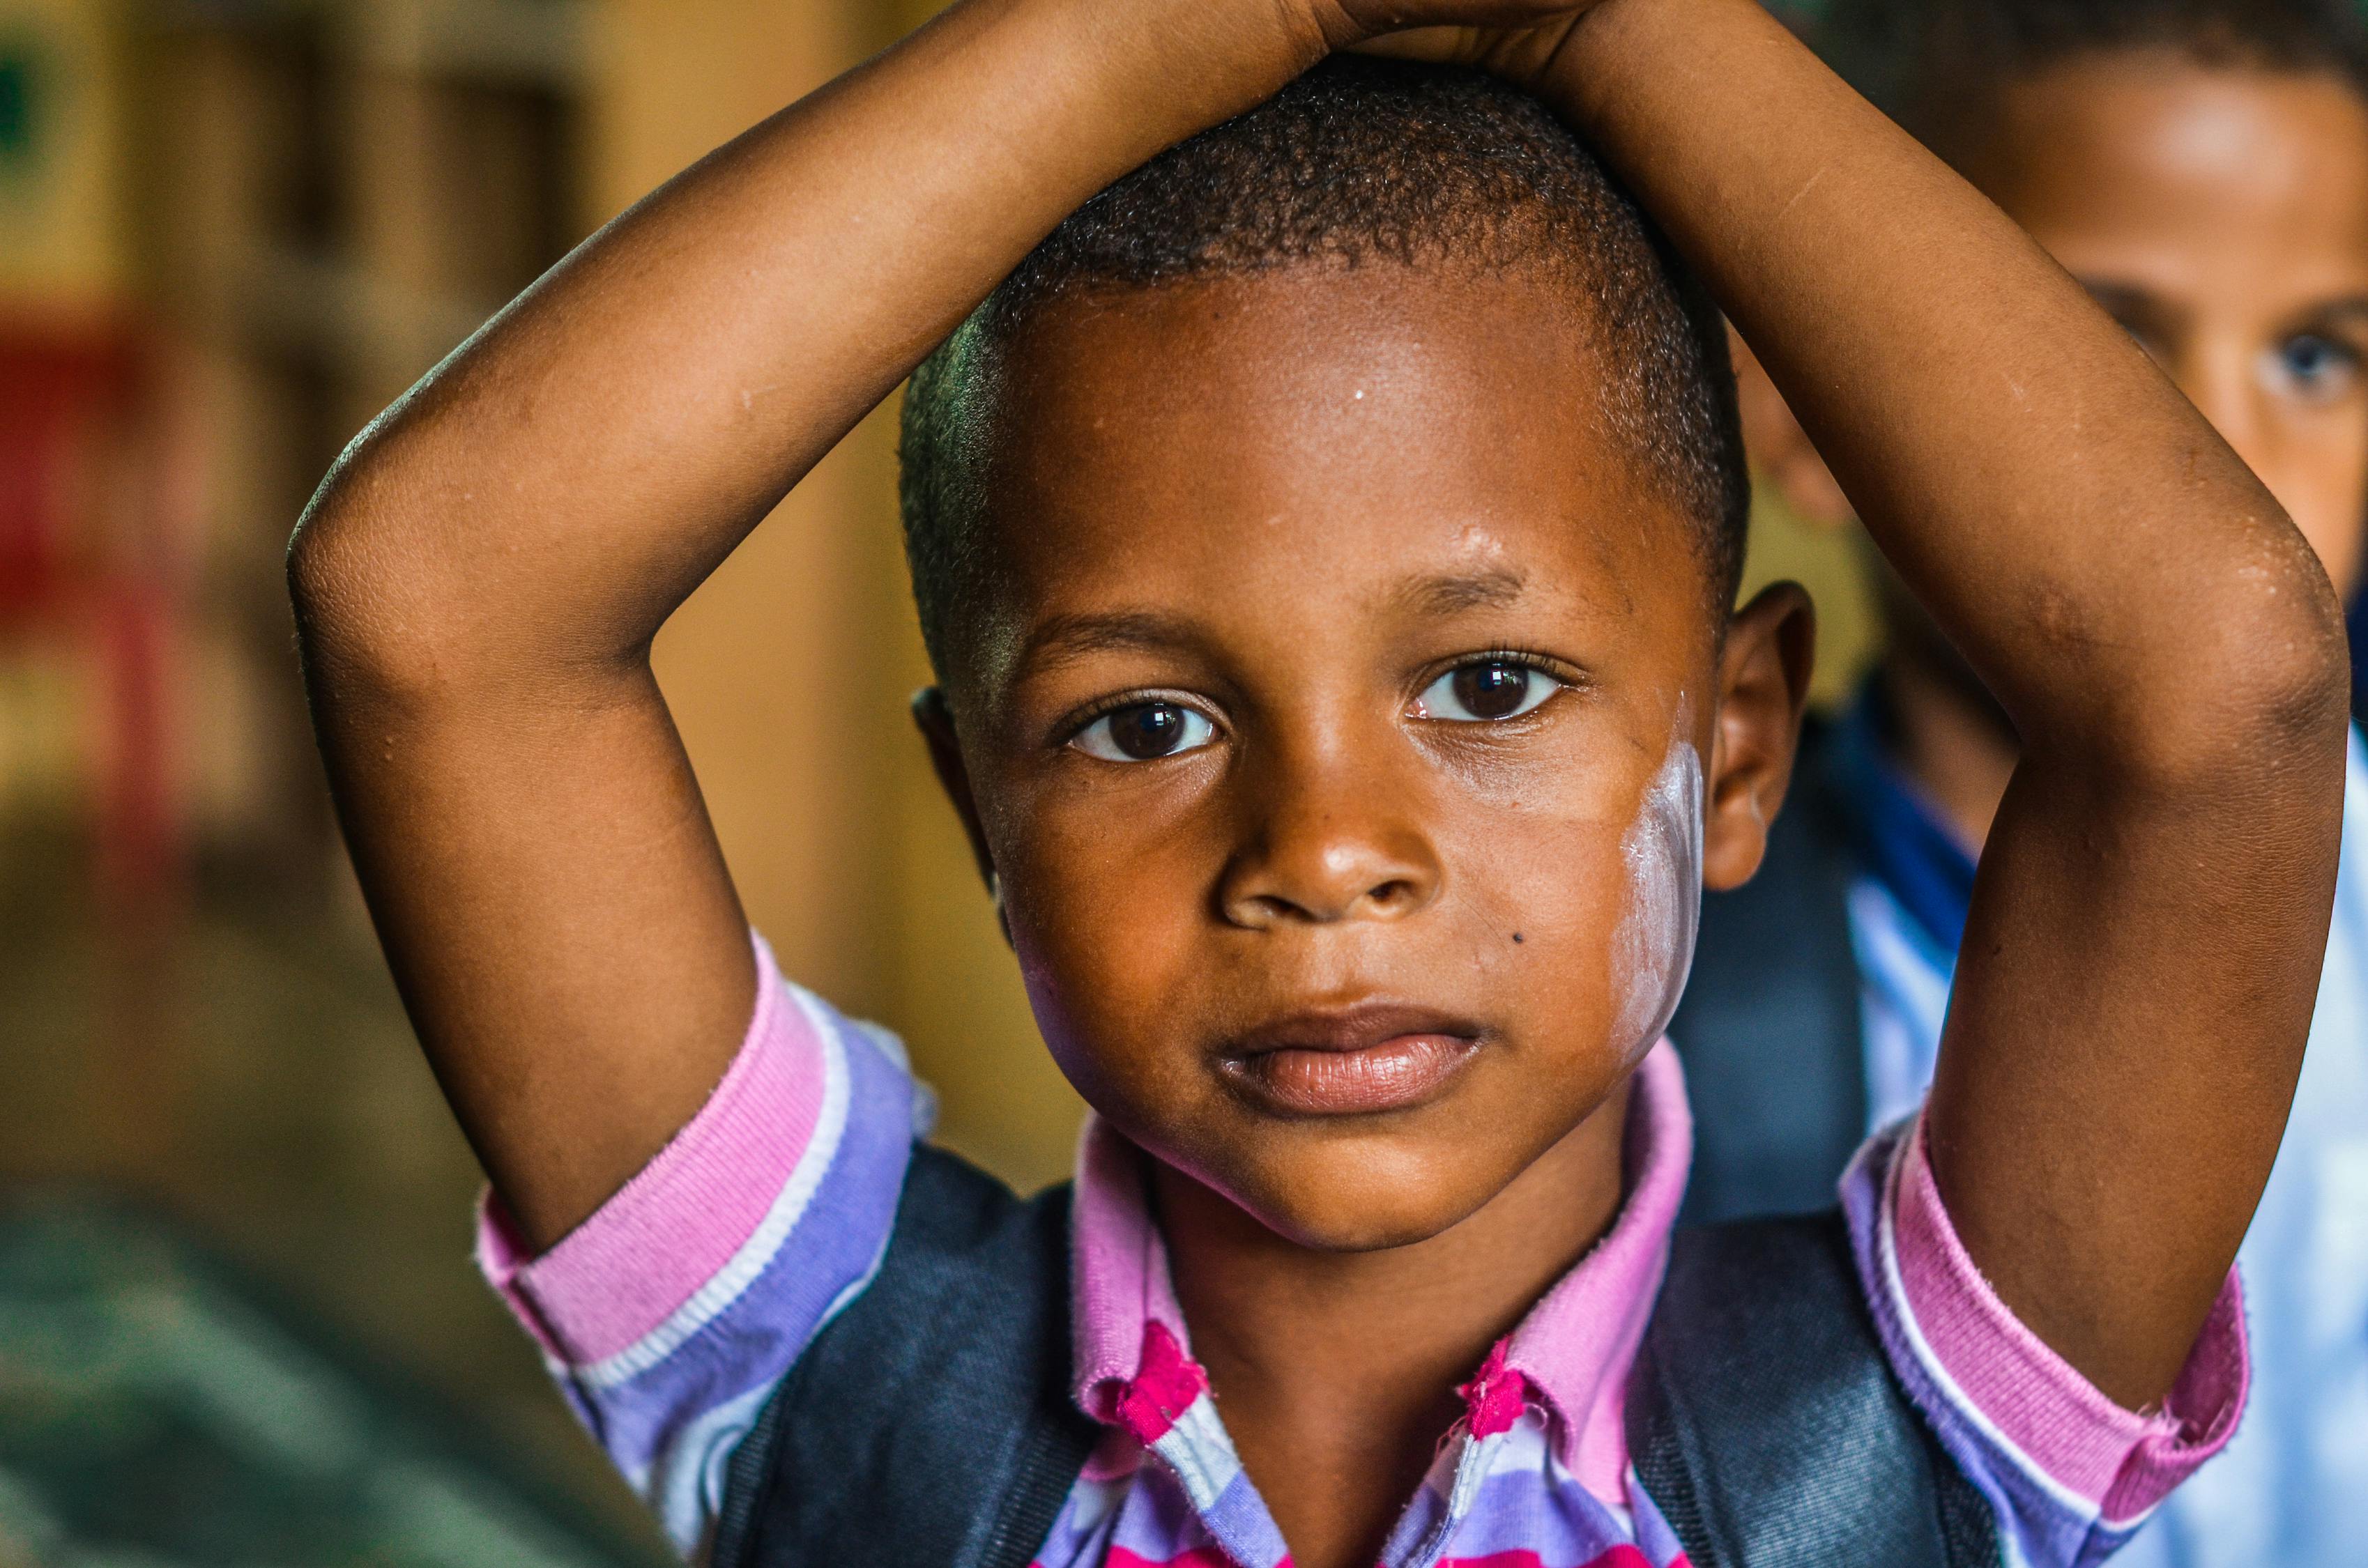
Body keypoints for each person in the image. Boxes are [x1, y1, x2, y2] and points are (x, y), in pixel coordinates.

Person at [284, 0, 2351, 1561]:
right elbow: (435, 603)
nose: (1325, 852)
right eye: (1139, 723)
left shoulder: (1897, 1438)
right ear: (975, 815)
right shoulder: (835, 1375)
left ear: (1727, 747)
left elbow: (2218, 692)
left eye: (1485, 680)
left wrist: (1607, 23)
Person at [1674, 2, 2368, 1564]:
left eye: (2317, 353)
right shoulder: (1655, 1022)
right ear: (1805, 403)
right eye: (2107, 342)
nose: (2224, 453)